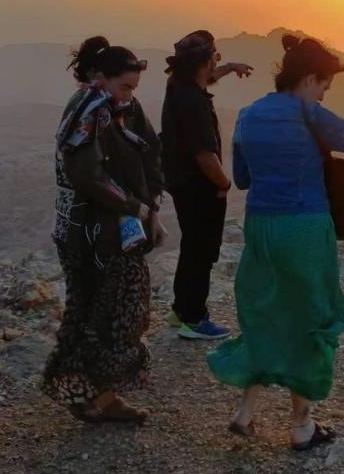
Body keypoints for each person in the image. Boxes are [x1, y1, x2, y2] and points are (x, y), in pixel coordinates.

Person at [207, 34, 344, 450]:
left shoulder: (248, 115)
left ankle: (246, 412)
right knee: (309, 317)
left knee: (265, 311)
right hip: (304, 226)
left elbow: (245, 178)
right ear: (308, 78)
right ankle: (302, 426)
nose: (324, 93)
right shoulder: (310, 115)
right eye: (324, 85)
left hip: (261, 225)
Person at [42, 42, 166, 424]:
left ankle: (93, 395)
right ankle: (100, 396)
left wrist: (150, 211)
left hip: (106, 231)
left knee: (98, 313)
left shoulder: (115, 108)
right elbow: (88, 175)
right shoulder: (90, 110)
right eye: (126, 86)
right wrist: (135, 207)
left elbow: (146, 158)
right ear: (101, 78)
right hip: (97, 235)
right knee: (114, 314)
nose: (131, 95)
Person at [160, 30, 253, 340]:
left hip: (182, 183)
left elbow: (206, 79)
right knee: (202, 252)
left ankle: (181, 309)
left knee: (191, 247)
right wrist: (225, 183)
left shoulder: (179, 86)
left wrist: (228, 69)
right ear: (203, 62)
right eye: (217, 56)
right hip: (200, 188)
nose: (219, 60)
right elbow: (204, 155)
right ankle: (195, 319)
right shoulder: (194, 103)